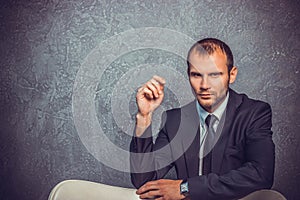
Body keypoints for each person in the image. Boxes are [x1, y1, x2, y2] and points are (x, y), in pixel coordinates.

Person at [130, 38, 275, 200]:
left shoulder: (254, 113)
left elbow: (261, 174)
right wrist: (144, 117)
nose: (204, 85)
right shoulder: (174, 120)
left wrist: (186, 188)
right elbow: (144, 181)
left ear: (231, 74)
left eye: (214, 74)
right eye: (196, 75)